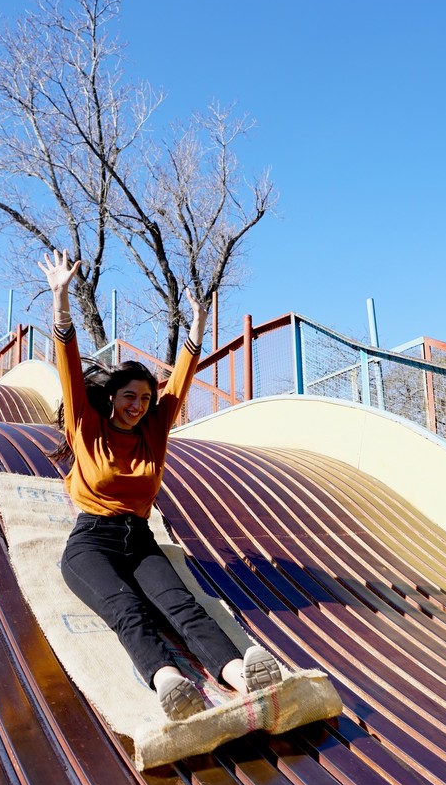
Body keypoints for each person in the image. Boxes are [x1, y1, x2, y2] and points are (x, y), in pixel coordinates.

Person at [41, 249, 281, 720]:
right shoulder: (87, 426)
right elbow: (67, 363)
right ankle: (170, 682)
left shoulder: (153, 431)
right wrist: (61, 300)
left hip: (141, 541)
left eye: (145, 399)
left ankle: (240, 673)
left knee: (182, 605)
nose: (137, 405)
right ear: (112, 397)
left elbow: (182, 381)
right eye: (129, 396)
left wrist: (198, 326)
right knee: (128, 610)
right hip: (91, 543)